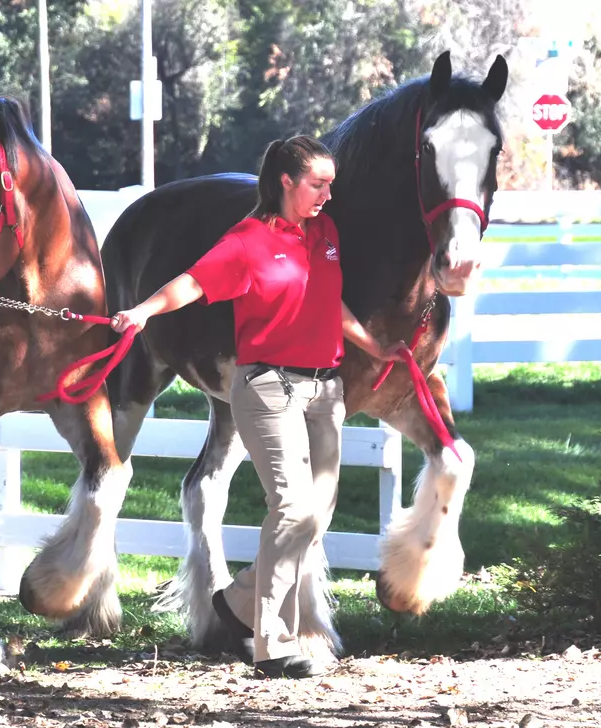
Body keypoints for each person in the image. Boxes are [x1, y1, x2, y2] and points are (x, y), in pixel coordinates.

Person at [110, 135, 409, 679]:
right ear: (285, 183)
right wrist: (143, 311)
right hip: (268, 388)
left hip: (325, 392)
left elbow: (327, 297)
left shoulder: (325, 233)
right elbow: (193, 284)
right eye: (318, 184)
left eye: (331, 184)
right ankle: (271, 642)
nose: (327, 194)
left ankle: (234, 603)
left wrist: (372, 344)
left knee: (315, 517)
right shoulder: (248, 240)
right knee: (292, 510)